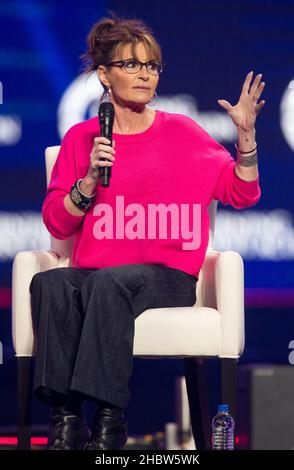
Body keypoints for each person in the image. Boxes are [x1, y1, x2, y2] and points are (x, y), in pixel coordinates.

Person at [29, 13, 264, 450]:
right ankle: (65, 421)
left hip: (166, 275)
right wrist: (88, 184)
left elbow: (241, 192)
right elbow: (57, 222)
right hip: (98, 274)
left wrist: (246, 141)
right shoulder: (83, 140)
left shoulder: (184, 134)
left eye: (151, 66)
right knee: (50, 283)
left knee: (107, 283)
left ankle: (108, 420)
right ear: (104, 74)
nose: (144, 75)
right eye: (132, 65)